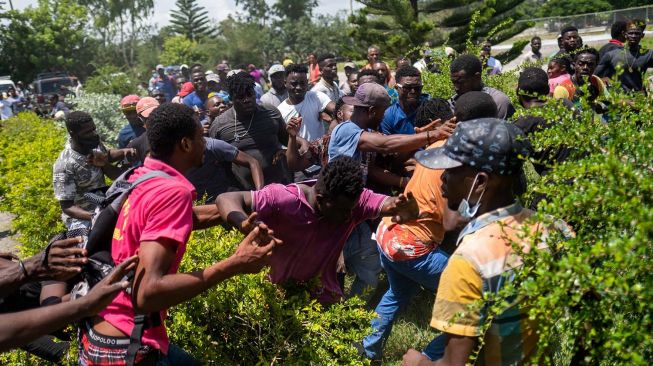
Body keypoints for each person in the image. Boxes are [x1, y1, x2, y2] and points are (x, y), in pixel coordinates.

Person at [78, 102, 280, 365]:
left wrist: (234, 217)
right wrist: (234, 264)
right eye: (200, 137)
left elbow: (169, 220)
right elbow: (147, 293)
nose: (205, 143)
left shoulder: (142, 176)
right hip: (129, 349)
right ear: (185, 144)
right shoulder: (173, 192)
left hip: (101, 332)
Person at [402, 118, 554, 366]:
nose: (442, 180)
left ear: (480, 182)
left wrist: (418, 362)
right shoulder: (552, 229)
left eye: (450, 171)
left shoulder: (468, 262)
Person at [216, 156, 419, 304]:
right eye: (343, 211)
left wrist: (405, 208)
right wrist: (243, 222)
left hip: (322, 299)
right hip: (273, 296)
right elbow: (226, 199)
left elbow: (388, 204)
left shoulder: (351, 201)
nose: (349, 216)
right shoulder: (284, 199)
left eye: (352, 209)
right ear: (322, 200)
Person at [361, 97, 458, 361]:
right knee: (471, 298)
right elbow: (447, 217)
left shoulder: (431, 150)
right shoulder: (451, 155)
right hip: (411, 246)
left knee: (398, 293)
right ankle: (427, 357)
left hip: (388, 233)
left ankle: (368, 351)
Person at [209, 71, 291, 189]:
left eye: (250, 94)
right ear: (231, 98)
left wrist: (285, 152)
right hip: (243, 193)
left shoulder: (270, 113)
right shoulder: (220, 124)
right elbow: (216, 162)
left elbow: (288, 140)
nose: (247, 100)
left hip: (278, 185)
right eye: (241, 97)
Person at [53, 111, 126, 230]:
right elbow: (67, 207)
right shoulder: (64, 165)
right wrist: (96, 217)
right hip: (82, 219)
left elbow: (113, 173)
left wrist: (105, 163)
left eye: (94, 129)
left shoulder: (93, 144)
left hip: (105, 206)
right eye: (88, 132)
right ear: (73, 134)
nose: (94, 134)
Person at [278, 64, 336, 143]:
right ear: (285, 83)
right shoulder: (280, 111)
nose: (298, 87)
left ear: (307, 82)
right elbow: (283, 137)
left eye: (302, 83)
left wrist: (334, 122)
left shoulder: (316, 96)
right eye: (294, 84)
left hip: (321, 152)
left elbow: (337, 110)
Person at [447, 54, 515, 119]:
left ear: (477, 77)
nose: (456, 88)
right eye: (454, 82)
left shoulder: (498, 102)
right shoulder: (450, 105)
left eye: (461, 82)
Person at [596, 20, 653, 93]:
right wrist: (604, 80)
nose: (633, 36)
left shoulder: (648, 54)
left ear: (642, 35)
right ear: (625, 34)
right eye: (630, 33)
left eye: (637, 33)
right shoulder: (611, 55)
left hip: (639, 98)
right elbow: (594, 76)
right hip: (619, 99)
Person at [380, 66, 428, 135]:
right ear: (396, 88)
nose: (413, 91)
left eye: (417, 87)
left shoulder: (431, 108)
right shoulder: (388, 116)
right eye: (407, 88)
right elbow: (387, 143)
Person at [127, 97, 160, 165]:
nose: (153, 117)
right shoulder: (136, 144)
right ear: (140, 117)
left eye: (155, 113)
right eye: (148, 116)